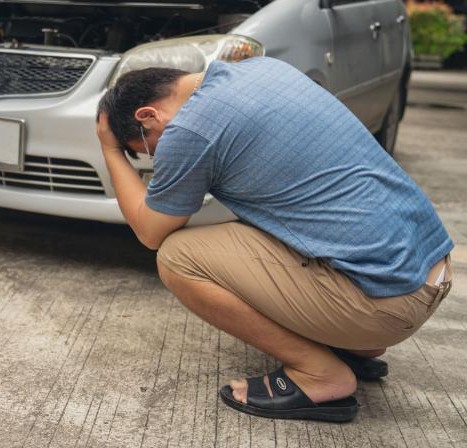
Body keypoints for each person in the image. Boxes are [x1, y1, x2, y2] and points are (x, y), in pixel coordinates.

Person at [95, 57, 454, 422]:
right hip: (428, 271)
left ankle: (320, 373)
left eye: (147, 148)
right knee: (257, 223)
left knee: (177, 257)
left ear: (148, 116)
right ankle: (355, 347)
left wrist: (110, 150)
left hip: (386, 304)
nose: (156, 156)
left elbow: (150, 232)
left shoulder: (190, 129)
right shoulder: (266, 69)